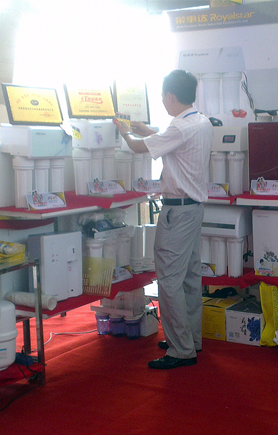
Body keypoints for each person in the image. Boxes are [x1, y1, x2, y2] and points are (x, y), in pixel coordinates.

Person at [113, 69, 213, 369]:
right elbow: (166, 138)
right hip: (193, 209)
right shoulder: (200, 121)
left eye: (162, 96)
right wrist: (141, 127)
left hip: (177, 213)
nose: (162, 101)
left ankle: (180, 349)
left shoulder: (180, 128)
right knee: (190, 277)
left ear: (170, 96)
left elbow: (137, 147)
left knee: (169, 280)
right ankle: (190, 339)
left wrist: (124, 130)